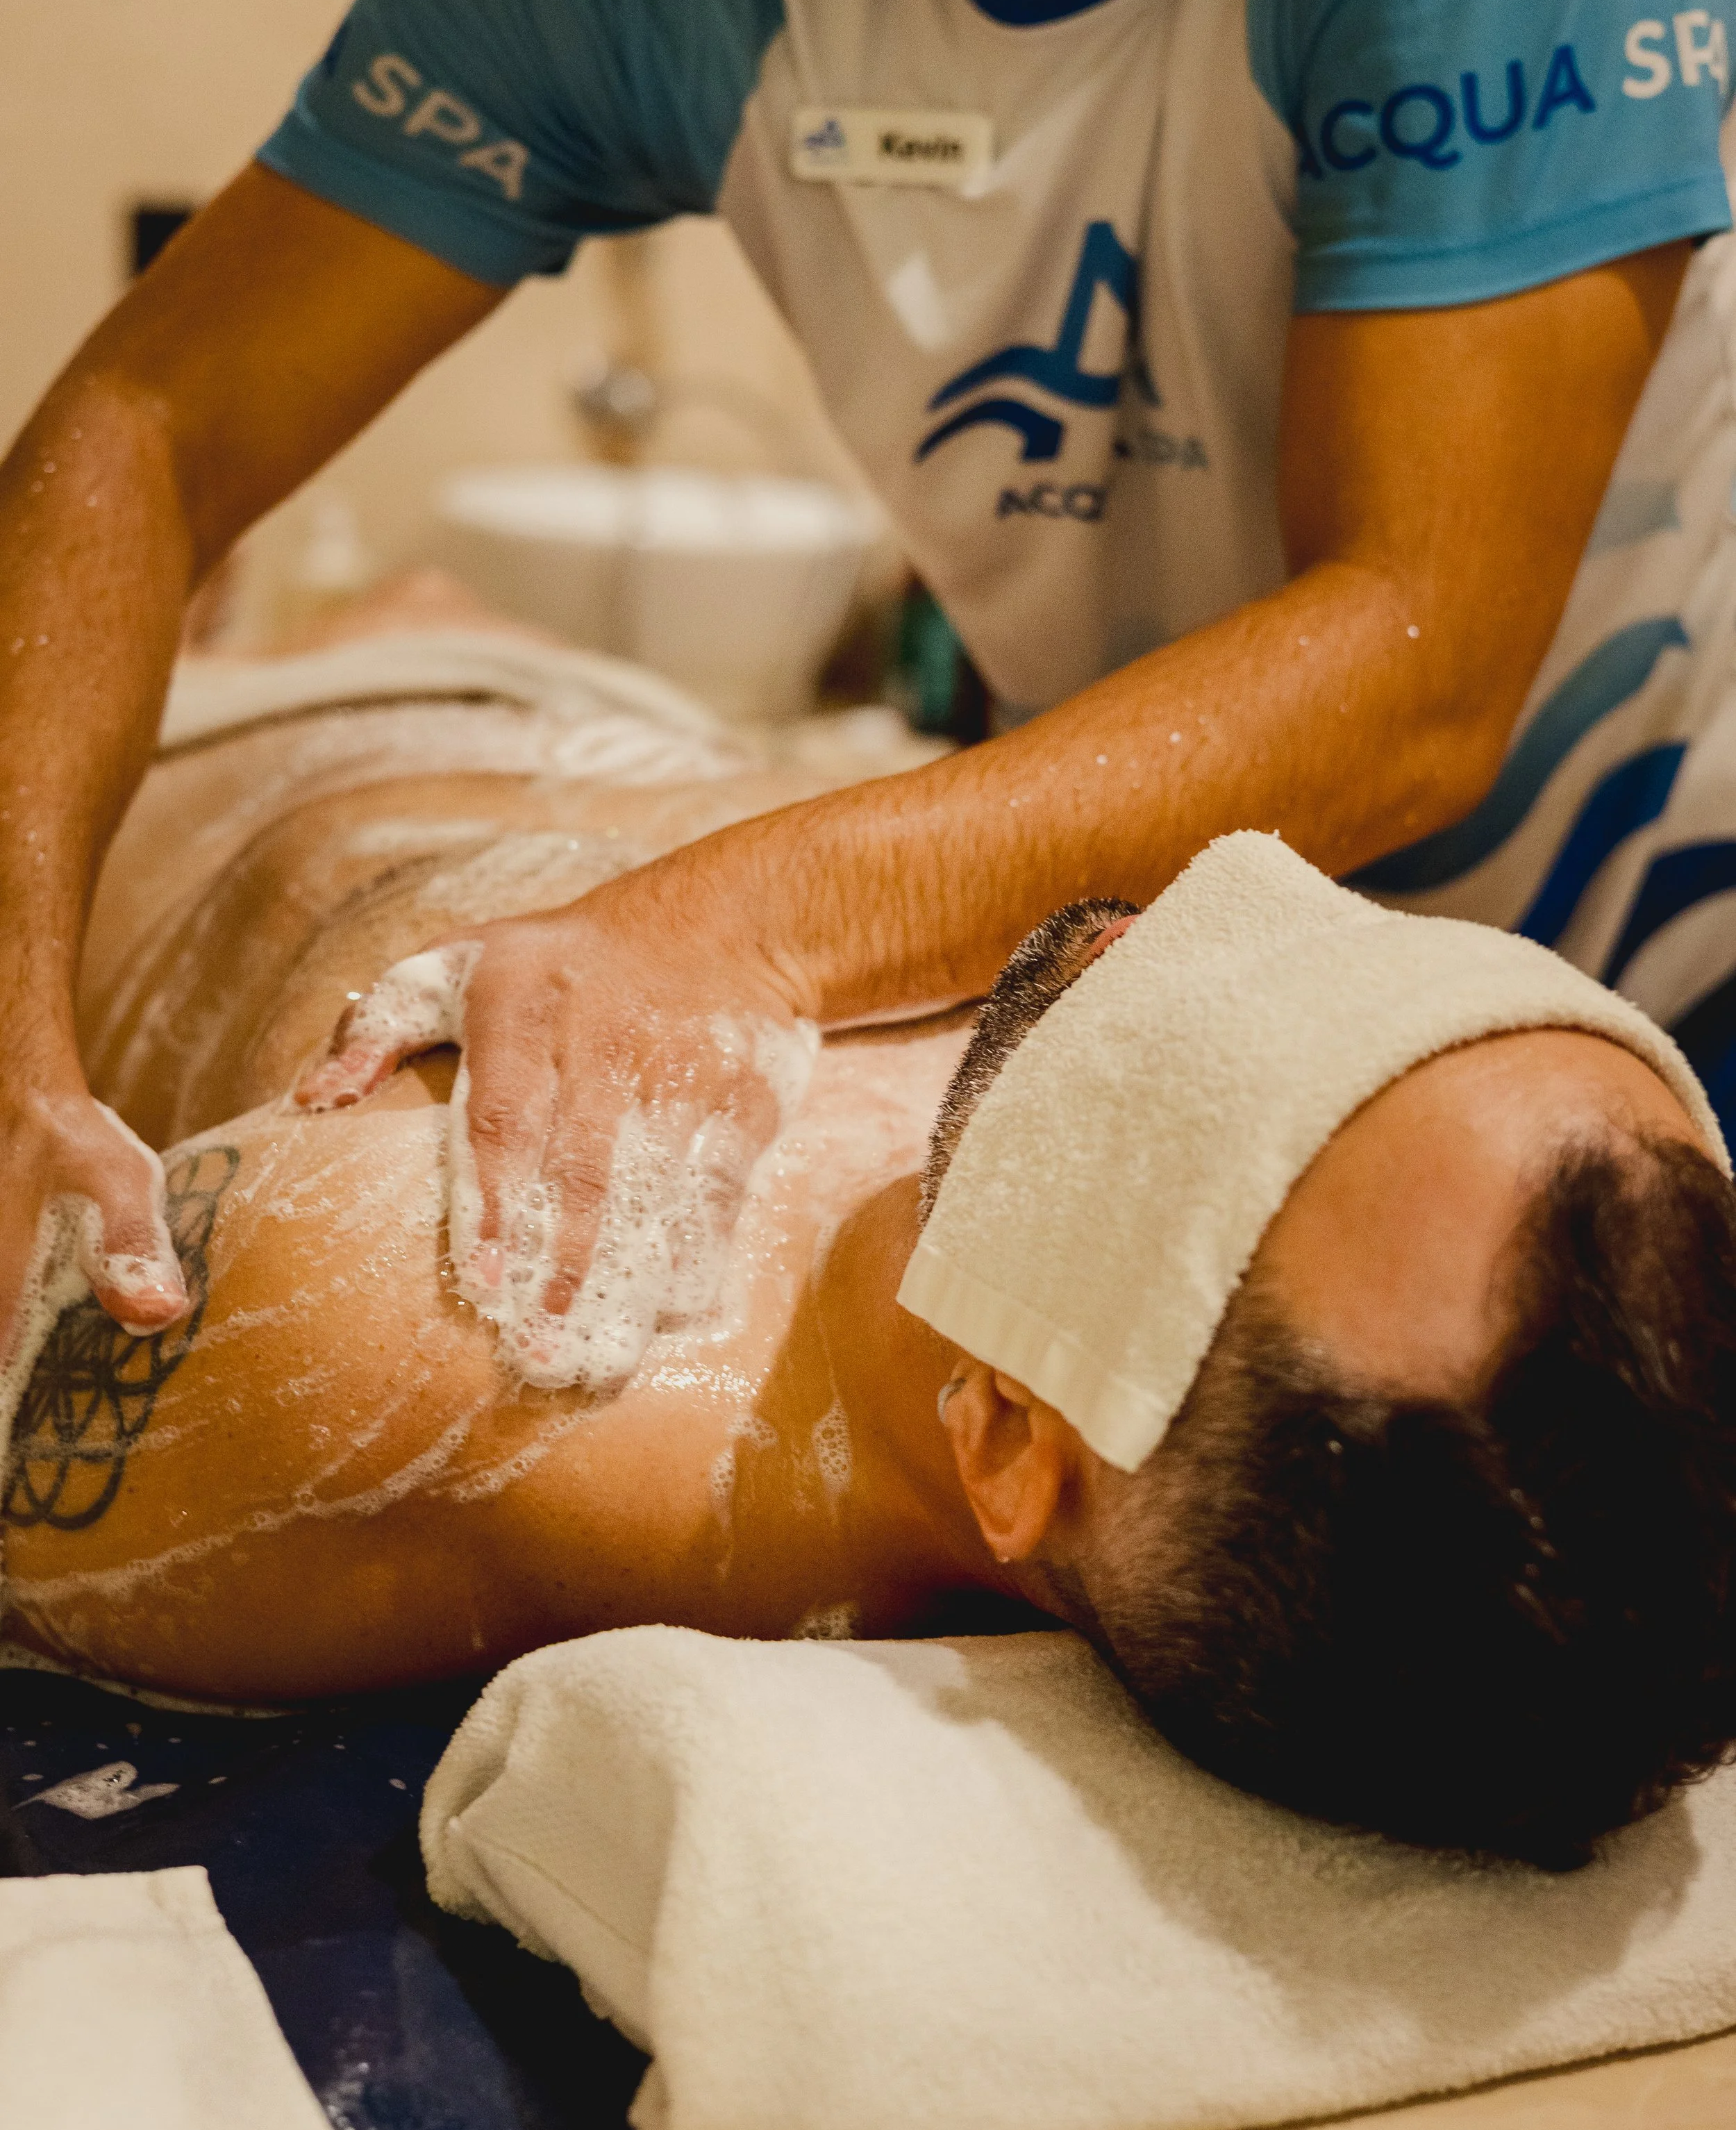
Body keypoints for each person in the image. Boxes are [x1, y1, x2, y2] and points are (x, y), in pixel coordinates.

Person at [5, 0, 1736, 1397]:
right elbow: (144, 422)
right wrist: (13, 1045)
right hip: (1163, 956)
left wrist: (739, 919)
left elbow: (1413, 667)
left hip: (1662, 963)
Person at [6, 602, 1735, 1874]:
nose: (1163, 923)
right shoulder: (1219, 1278)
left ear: (1007, 1441)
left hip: (155, 729)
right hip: (551, 667)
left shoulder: (418, 1332)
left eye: (1196, 1083)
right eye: (1387, 977)